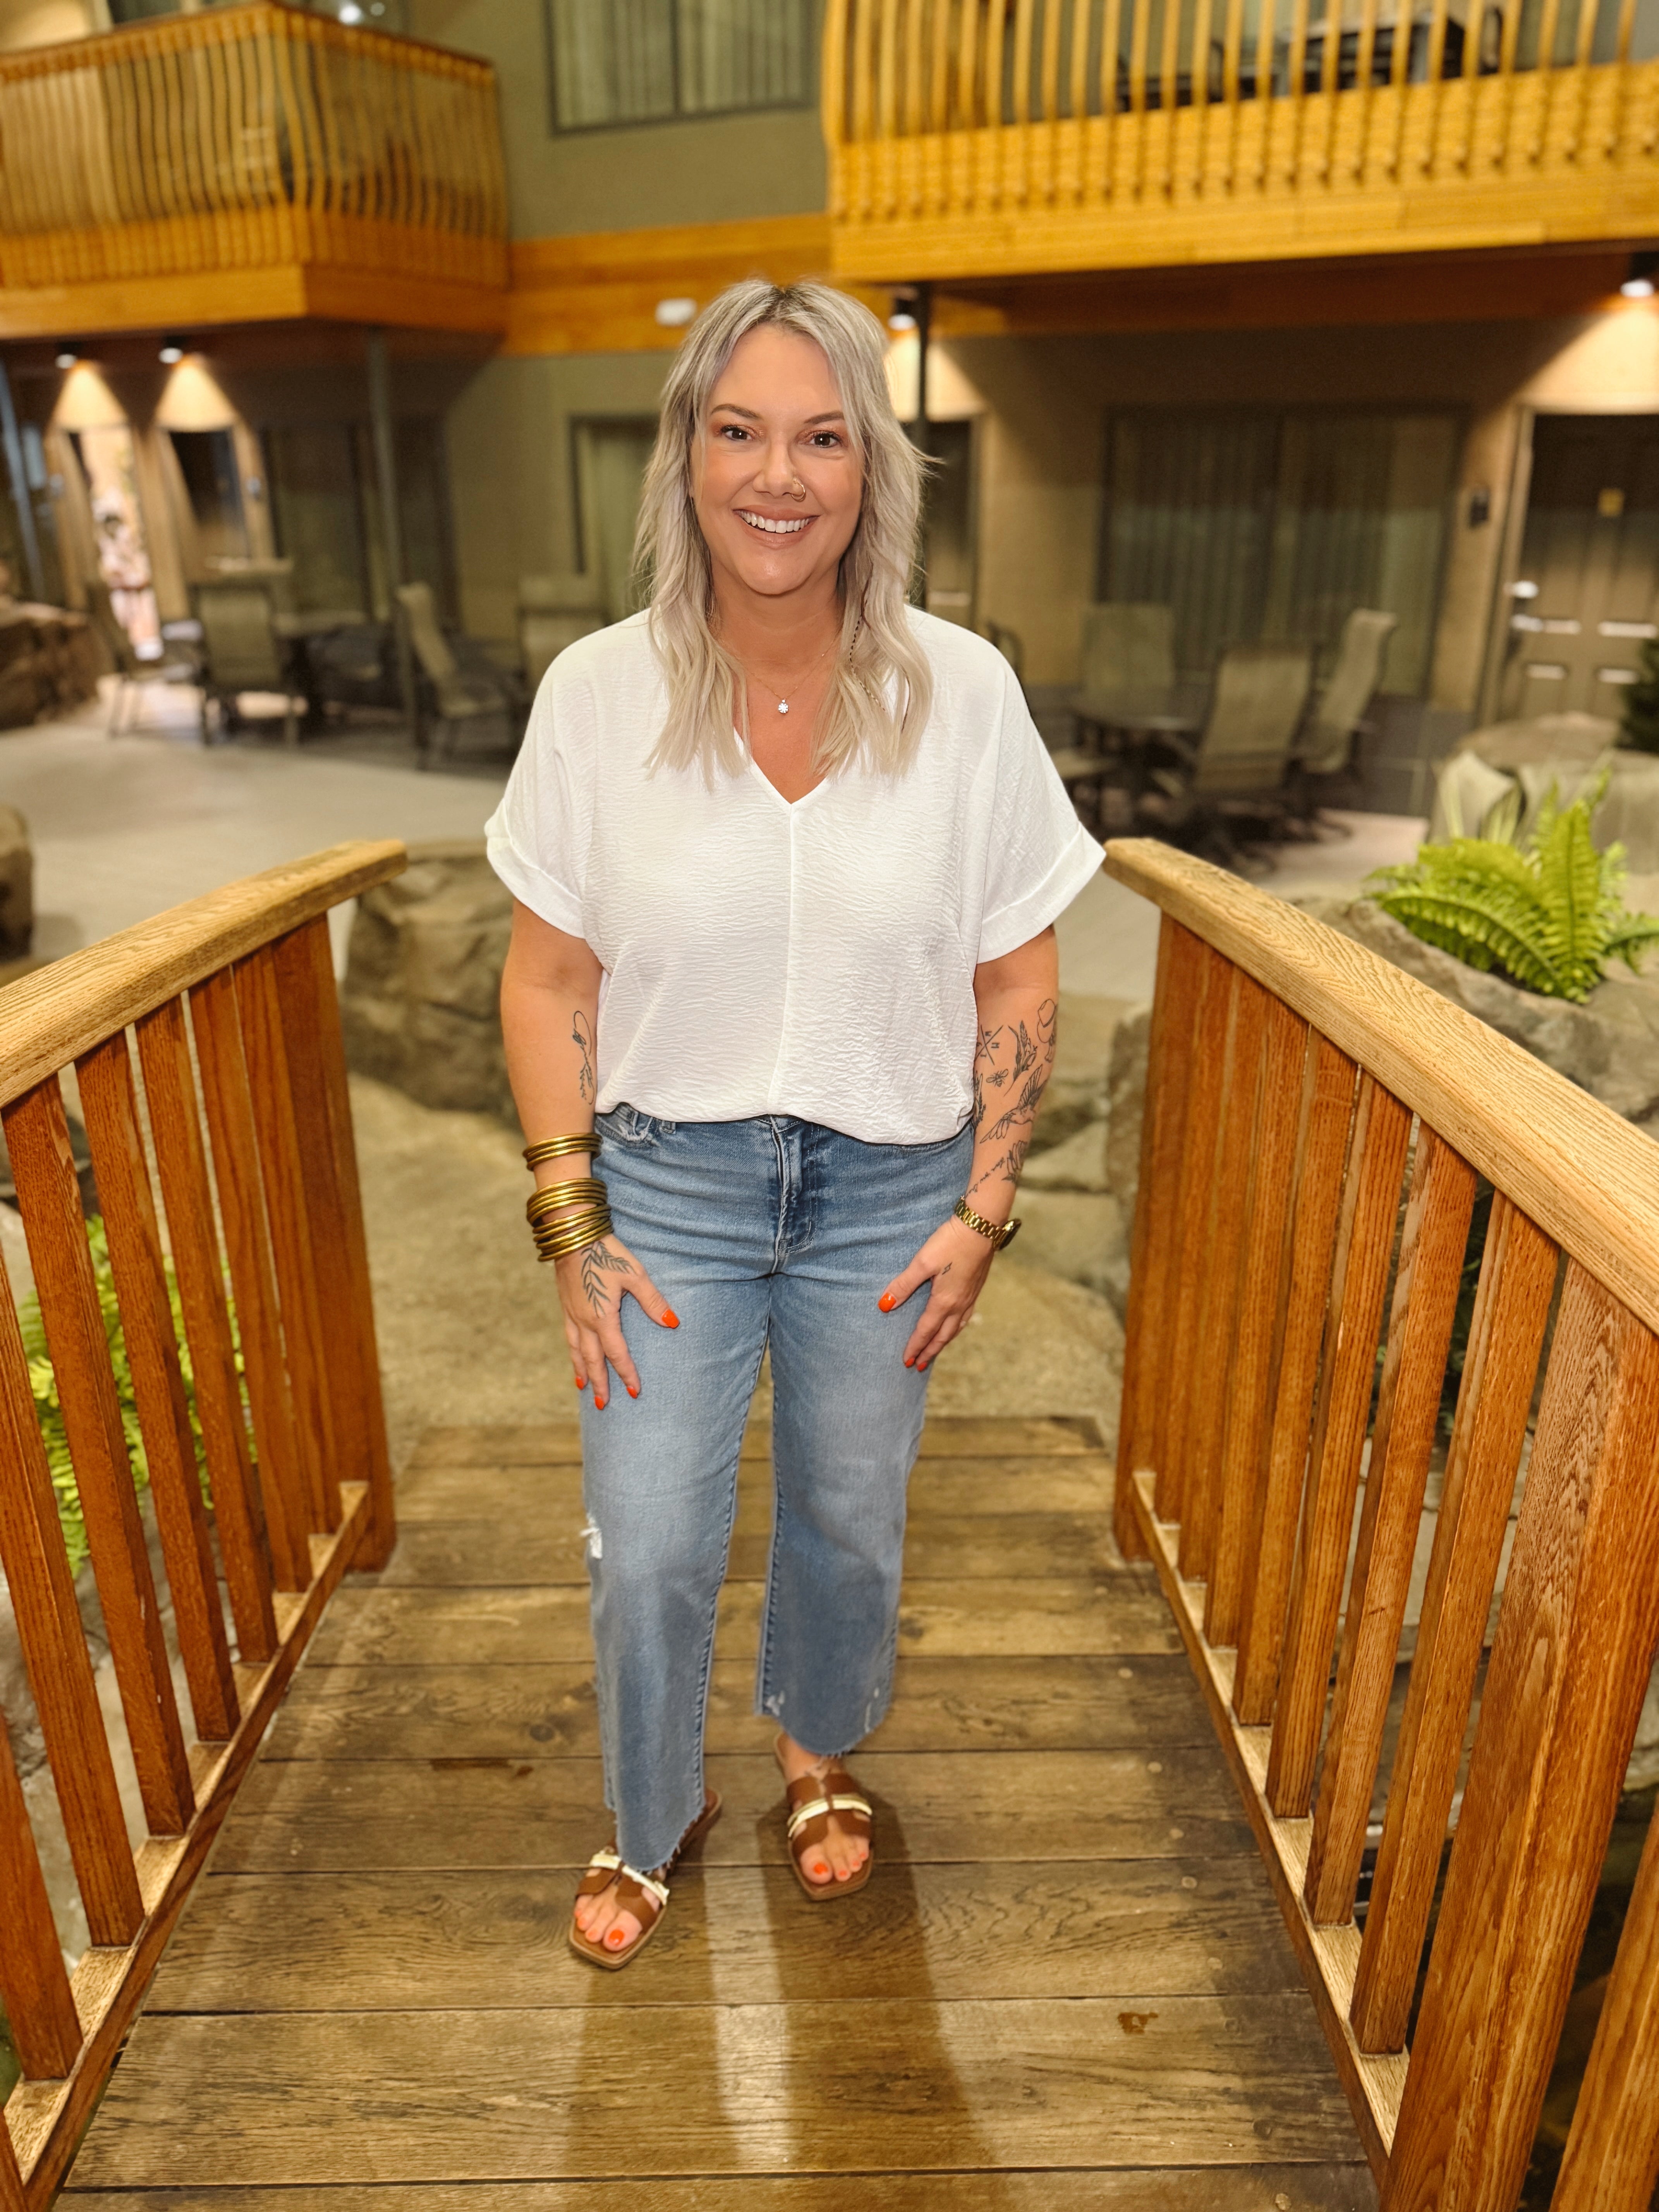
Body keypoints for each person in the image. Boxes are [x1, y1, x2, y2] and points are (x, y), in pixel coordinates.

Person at [486, 278, 1103, 1969]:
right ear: (687, 457)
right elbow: (546, 986)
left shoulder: (962, 694)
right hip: (669, 1189)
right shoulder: (597, 697)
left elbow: (1021, 970)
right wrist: (571, 1226)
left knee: (849, 1514)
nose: (781, 474)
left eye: (822, 435)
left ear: (871, 467)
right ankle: (649, 1800)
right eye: (741, 431)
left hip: (888, 1188)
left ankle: (815, 1745)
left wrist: (984, 1212)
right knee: (651, 1541)